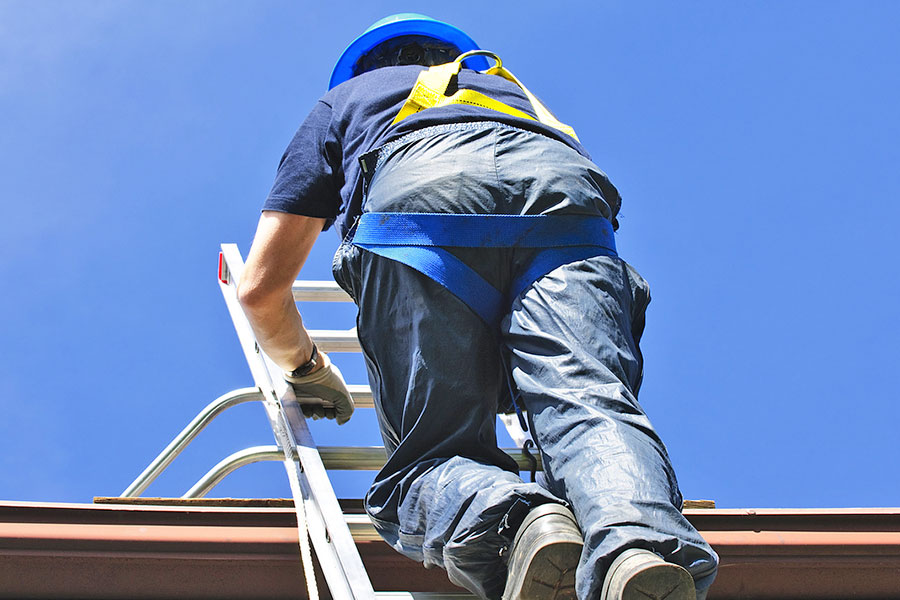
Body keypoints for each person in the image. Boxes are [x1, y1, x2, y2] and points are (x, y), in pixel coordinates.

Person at [237, 13, 718, 600]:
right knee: (588, 406)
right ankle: (640, 547)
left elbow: (260, 290)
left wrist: (309, 368)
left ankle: (517, 526)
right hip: (567, 214)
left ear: (364, 69)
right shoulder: (517, 97)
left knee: (425, 466)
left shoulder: (344, 102)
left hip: (418, 218)